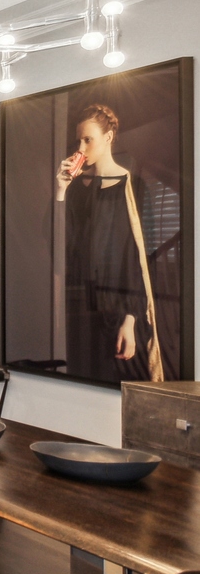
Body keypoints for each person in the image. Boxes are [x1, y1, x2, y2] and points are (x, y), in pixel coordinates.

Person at [54, 102, 164, 382]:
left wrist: (130, 319)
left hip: (123, 311)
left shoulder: (133, 185)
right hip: (81, 305)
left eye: (88, 139)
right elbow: (60, 245)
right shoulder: (76, 189)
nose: (81, 148)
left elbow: (141, 258)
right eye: (79, 140)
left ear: (108, 137)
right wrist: (61, 190)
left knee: (124, 390)